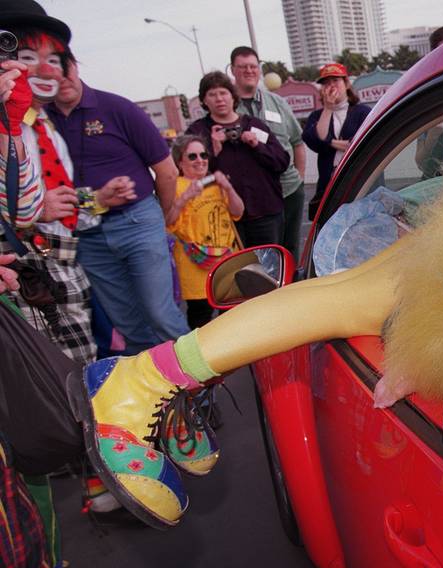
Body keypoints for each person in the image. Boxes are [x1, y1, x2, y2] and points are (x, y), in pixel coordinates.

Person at [68, 67, 443, 529]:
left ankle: (154, 378)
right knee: (348, 301)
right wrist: (430, 353)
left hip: (408, 222)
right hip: (411, 228)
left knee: (342, 297)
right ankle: (145, 380)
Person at [4, 12, 129, 568]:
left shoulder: (34, 123)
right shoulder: (17, 124)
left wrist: (84, 202)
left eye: (51, 55)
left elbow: (41, 203)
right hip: (32, 275)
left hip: (57, 264)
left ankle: (97, 493)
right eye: (29, 54)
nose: (42, 67)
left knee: (71, 387)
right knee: (43, 406)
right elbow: (24, 207)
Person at [0, 49, 77, 568]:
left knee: (31, 454)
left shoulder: (14, 126)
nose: (22, 67)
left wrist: (12, 127)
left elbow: (23, 212)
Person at [47, 41, 187, 355]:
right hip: (87, 235)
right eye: (51, 68)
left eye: (64, 65)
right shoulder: (40, 123)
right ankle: (157, 395)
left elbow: (167, 172)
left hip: (138, 221)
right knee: (127, 325)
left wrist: (161, 219)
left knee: (160, 314)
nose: (61, 75)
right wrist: (94, 200)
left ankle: (203, 389)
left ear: (76, 65)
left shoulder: (118, 108)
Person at [186, 71, 289, 248]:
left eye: (223, 93)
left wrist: (257, 146)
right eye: (212, 94)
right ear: (204, 100)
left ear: (233, 96)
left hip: (264, 212)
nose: (219, 99)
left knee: (271, 270)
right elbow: (187, 175)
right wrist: (212, 151)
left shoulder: (254, 125)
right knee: (236, 271)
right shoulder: (198, 132)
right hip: (222, 218)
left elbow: (282, 162)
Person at [229, 46, 305, 258]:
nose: (249, 71)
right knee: (262, 258)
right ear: (232, 70)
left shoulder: (277, 103)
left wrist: (299, 176)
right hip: (255, 199)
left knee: (290, 252)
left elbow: (298, 142)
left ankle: (293, 290)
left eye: (253, 66)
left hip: (289, 189)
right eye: (242, 67)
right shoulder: (228, 109)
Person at [166, 135, 244, 328]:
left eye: (203, 155)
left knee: (232, 314)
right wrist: (185, 198)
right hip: (195, 264)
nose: (200, 160)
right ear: (180, 162)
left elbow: (238, 212)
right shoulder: (175, 186)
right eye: (192, 156)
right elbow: (168, 222)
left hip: (226, 259)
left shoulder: (217, 183)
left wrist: (228, 187)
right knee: (200, 316)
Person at [301, 63, 370, 220]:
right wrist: (328, 108)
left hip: (358, 180)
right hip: (329, 183)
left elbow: (361, 143)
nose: (331, 86)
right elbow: (316, 139)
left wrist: (329, 142)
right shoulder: (317, 116)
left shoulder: (362, 112)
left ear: (345, 84)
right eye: (326, 83)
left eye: (335, 81)